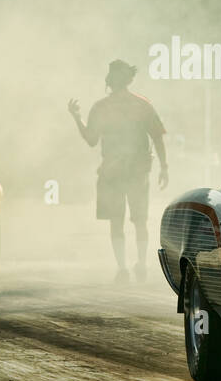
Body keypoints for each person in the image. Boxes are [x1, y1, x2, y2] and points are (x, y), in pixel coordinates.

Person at [68, 60, 168, 283]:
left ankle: (125, 267)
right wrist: (164, 167)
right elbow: (158, 137)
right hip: (132, 172)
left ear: (110, 81)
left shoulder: (104, 107)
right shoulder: (140, 104)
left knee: (119, 220)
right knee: (138, 220)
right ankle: (138, 264)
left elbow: (90, 139)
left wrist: (77, 118)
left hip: (119, 172)